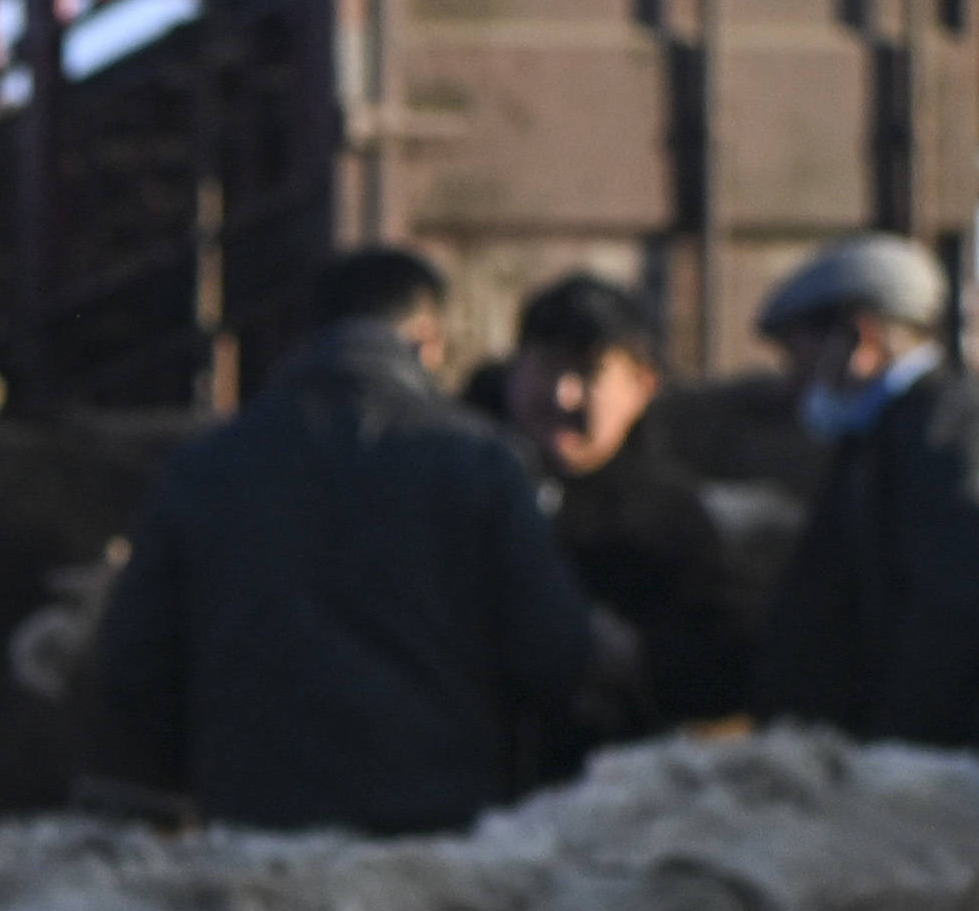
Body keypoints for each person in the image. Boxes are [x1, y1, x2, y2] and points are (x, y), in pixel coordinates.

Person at [82, 245, 606, 833]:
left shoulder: (204, 466)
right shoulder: (482, 461)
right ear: (428, 340)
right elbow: (554, 652)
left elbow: (134, 659)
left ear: (309, 334)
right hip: (436, 836)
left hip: (253, 832)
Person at [749, 233, 979, 763]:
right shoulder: (880, 437)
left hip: (958, 770)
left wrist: (892, 746)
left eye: (799, 353)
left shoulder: (959, 425)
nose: (792, 380)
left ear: (860, 337)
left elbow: (960, 609)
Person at [500, 272, 771, 734]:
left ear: (642, 386)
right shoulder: (465, 485)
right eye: (546, 366)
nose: (563, 394)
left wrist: (638, 656)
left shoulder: (669, 518)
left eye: (587, 373)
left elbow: (728, 665)